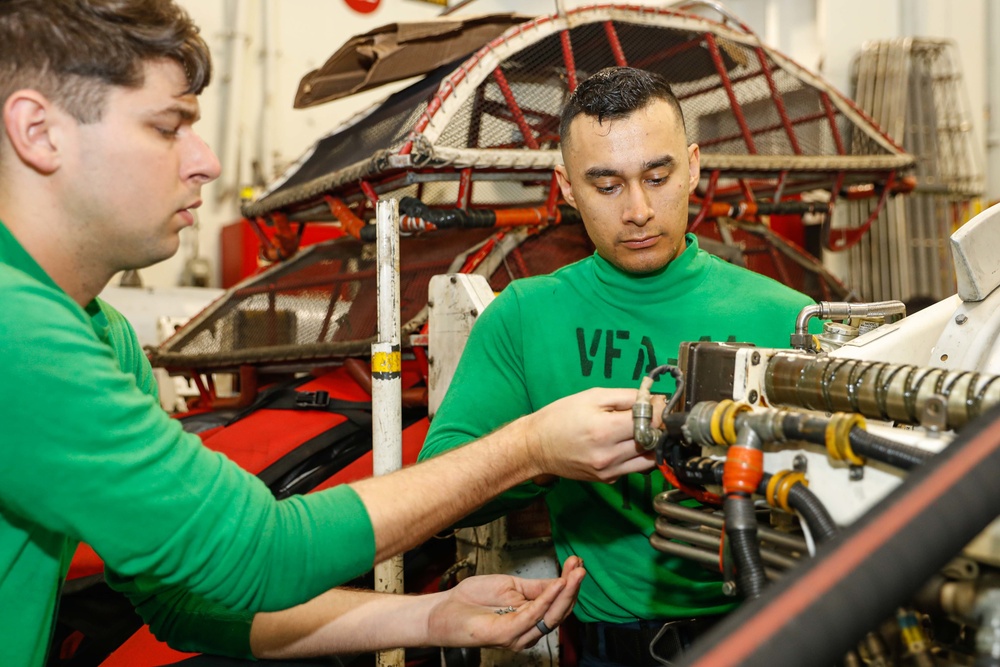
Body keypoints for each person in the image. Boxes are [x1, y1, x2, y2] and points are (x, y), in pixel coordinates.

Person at [0, 3, 656, 665]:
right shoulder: (16, 329)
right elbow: (262, 551)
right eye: (169, 126)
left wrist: (430, 613)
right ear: (39, 130)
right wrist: (528, 445)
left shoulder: (99, 335)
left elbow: (184, 600)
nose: (206, 163)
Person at [418, 66, 817, 667]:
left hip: (778, 624)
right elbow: (436, 492)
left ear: (695, 166)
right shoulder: (526, 316)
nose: (637, 210)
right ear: (567, 187)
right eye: (605, 186)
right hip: (613, 644)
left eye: (658, 177)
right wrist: (542, 452)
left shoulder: (790, 319)